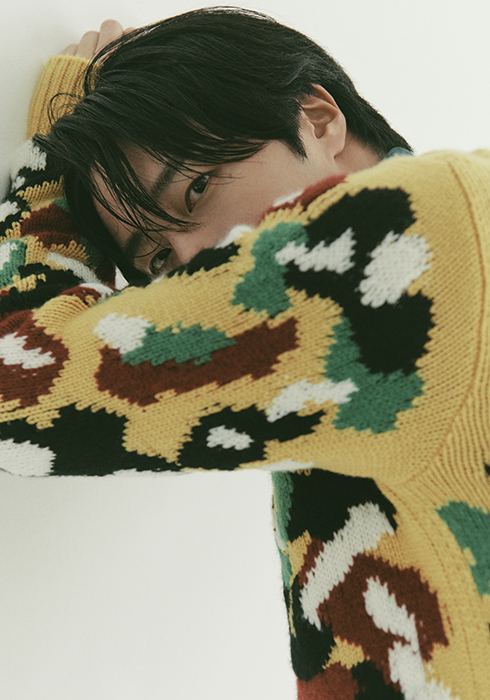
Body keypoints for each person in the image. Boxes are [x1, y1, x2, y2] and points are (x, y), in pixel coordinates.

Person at [1, 7, 490, 699]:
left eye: (197, 187)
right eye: (159, 260)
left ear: (317, 118)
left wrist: (48, 166)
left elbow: (15, 394)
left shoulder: (408, 241)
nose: (196, 260)